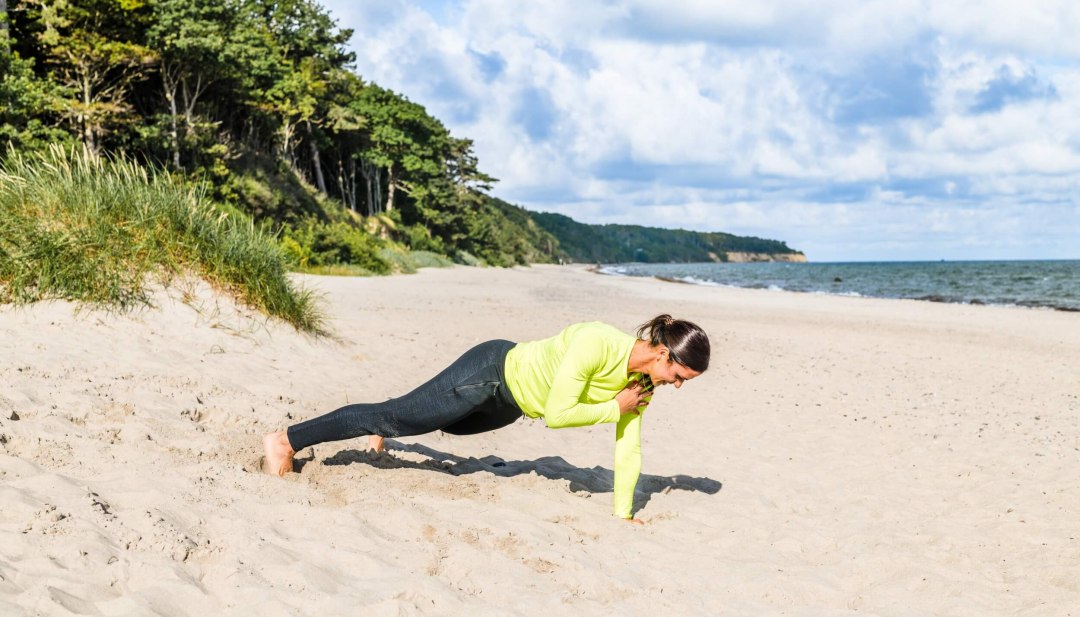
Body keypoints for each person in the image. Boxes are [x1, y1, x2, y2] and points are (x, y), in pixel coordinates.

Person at [262, 314, 710, 524]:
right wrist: (614, 407)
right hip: (491, 373)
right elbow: (558, 415)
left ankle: (386, 425)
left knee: (436, 422)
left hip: (509, 407)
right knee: (401, 416)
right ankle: (287, 440)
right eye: (678, 373)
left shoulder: (643, 386)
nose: (677, 384)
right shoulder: (598, 343)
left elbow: (628, 444)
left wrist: (623, 514)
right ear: (661, 351)